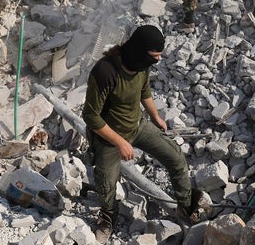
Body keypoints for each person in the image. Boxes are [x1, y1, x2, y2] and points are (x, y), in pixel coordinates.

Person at [82, 24, 202, 243]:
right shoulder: (105, 71)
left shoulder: (141, 65)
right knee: (106, 184)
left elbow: (144, 90)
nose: (156, 61)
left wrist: (155, 116)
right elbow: (91, 116)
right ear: (138, 51)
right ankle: (108, 215)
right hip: (109, 138)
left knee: (176, 158)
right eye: (153, 57)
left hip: (137, 126)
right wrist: (120, 143)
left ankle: (185, 207)